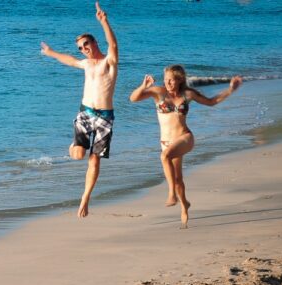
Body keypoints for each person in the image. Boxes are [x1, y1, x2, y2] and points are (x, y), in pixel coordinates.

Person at [130, 65, 242, 228]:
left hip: (185, 137)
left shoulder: (187, 94)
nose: (168, 82)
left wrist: (231, 89)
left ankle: (171, 195)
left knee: (165, 157)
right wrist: (144, 86)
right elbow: (133, 98)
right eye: (166, 79)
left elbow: (212, 102)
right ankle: (184, 204)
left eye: (171, 79)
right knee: (178, 179)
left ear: (180, 80)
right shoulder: (158, 92)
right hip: (166, 142)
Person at [40, 1, 118, 218]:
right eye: (81, 48)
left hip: (104, 118)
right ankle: (75, 143)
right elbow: (70, 60)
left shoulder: (109, 62)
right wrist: (52, 53)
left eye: (86, 45)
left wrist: (104, 22)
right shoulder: (86, 64)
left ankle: (85, 198)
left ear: (94, 42)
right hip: (85, 113)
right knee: (77, 156)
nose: (84, 50)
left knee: (94, 159)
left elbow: (113, 45)